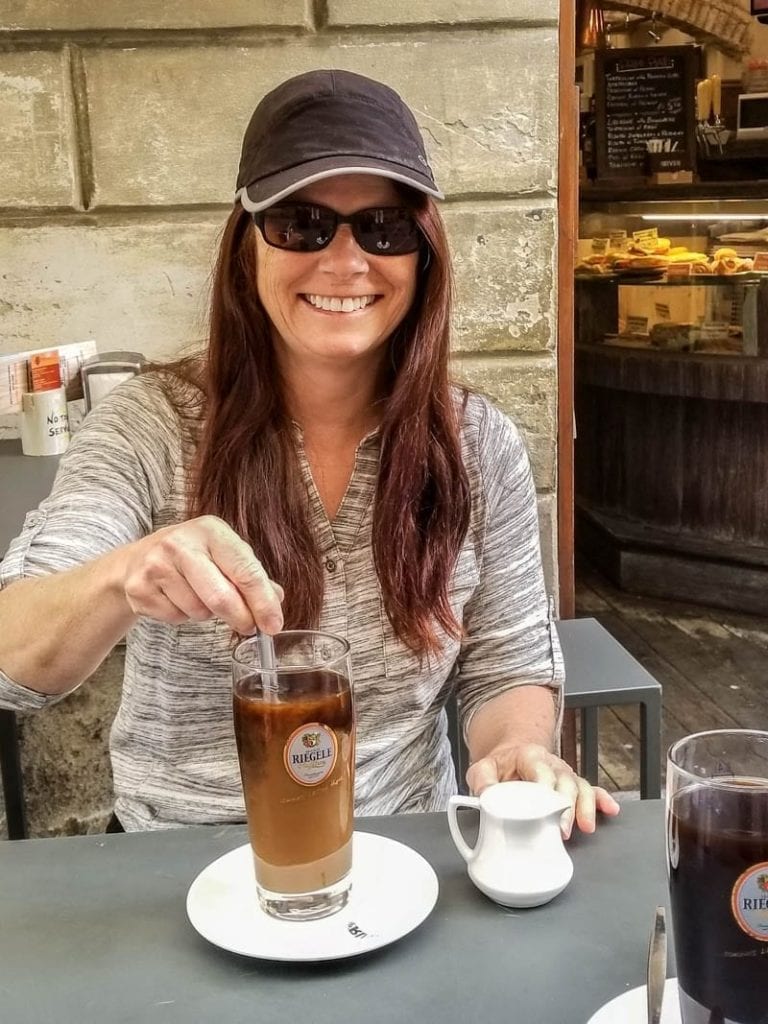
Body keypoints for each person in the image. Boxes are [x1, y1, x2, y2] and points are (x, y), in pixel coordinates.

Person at [0, 70, 619, 836]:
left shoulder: (476, 443)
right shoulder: (153, 425)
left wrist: (519, 751)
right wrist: (122, 577)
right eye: (301, 223)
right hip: (180, 865)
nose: (346, 260)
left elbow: (509, 665)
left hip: (404, 856)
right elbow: (16, 663)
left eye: (384, 226)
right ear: (246, 249)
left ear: (422, 255)